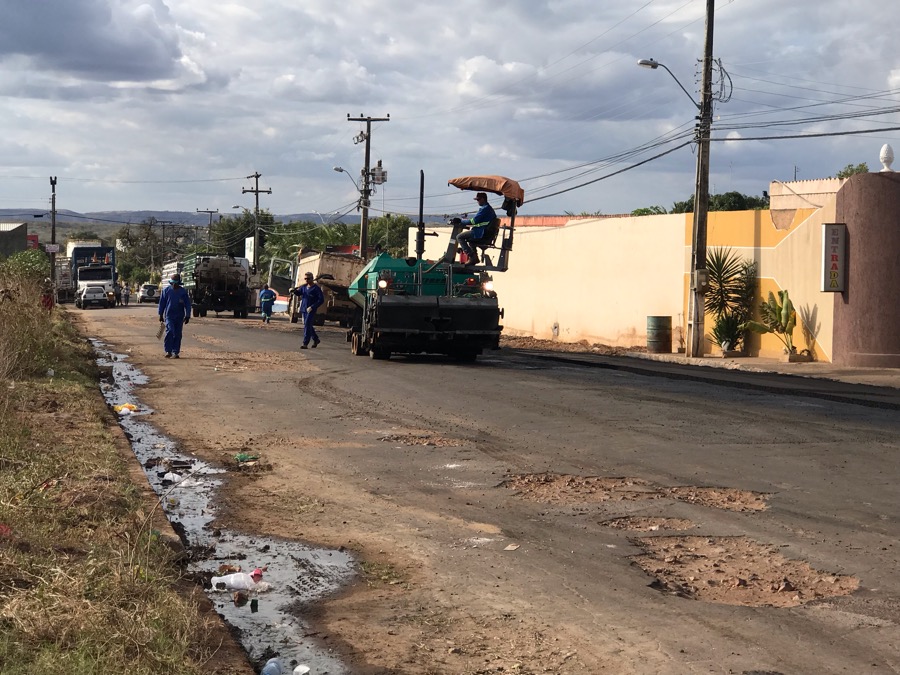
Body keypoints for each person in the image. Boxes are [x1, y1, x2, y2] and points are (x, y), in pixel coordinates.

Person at [455, 191, 496, 266]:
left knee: (459, 237)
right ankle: (475, 258)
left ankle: (472, 256)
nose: (477, 201)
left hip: (481, 232)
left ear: (483, 199)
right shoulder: (488, 209)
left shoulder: (485, 209)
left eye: (478, 199)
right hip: (483, 231)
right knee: (471, 241)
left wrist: (460, 221)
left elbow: (474, 221)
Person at [158, 273, 192, 359]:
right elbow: (162, 303)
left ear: (178, 282)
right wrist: (161, 314)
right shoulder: (166, 291)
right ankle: (168, 351)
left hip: (179, 316)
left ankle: (175, 352)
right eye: (172, 282)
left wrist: (188, 315)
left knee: (177, 334)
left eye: (175, 282)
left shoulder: (183, 292)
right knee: (170, 331)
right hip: (169, 315)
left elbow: (187, 304)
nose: (174, 284)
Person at [291, 272, 324, 349]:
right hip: (304, 308)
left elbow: (321, 300)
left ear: (312, 279)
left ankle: (305, 343)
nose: (306, 280)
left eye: (308, 279)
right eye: (305, 279)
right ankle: (316, 339)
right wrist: (294, 291)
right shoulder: (304, 287)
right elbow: (299, 293)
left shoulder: (316, 289)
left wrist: (313, 306)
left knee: (307, 325)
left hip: (311, 309)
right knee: (308, 325)